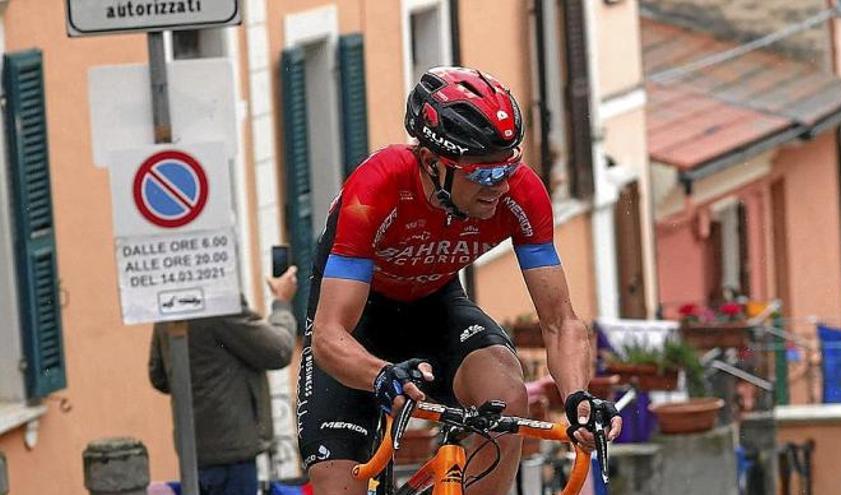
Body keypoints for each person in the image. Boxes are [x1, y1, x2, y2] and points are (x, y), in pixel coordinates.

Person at [296, 66, 623, 494]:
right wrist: (379, 374)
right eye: (484, 174)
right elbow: (328, 333)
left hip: (435, 307)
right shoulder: (378, 187)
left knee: (508, 396)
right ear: (432, 163)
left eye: (510, 167)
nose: (501, 186)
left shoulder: (522, 194)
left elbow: (560, 321)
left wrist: (578, 398)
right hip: (357, 324)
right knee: (337, 483)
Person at [149, 266, 298, 495]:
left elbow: (158, 375)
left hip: (193, 452)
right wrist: (281, 302)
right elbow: (279, 350)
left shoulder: (169, 303)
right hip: (233, 452)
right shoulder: (219, 301)